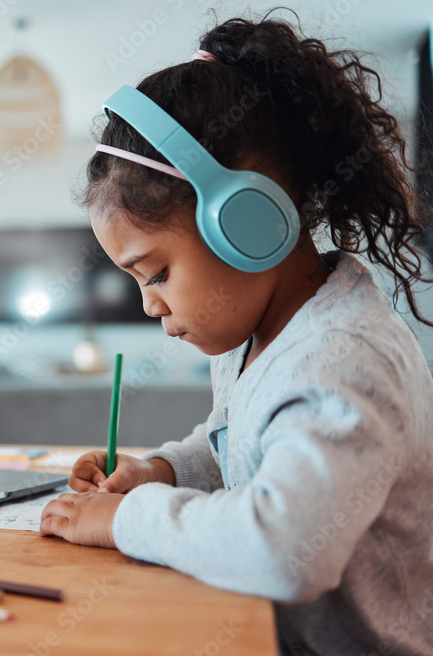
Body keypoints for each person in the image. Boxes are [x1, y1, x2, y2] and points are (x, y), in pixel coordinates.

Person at [40, 13, 433, 656]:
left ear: (247, 222)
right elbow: (239, 439)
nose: (148, 305)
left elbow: (285, 551)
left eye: (157, 272)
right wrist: (160, 471)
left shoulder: (340, 362)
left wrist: (125, 520)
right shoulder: (265, 333)